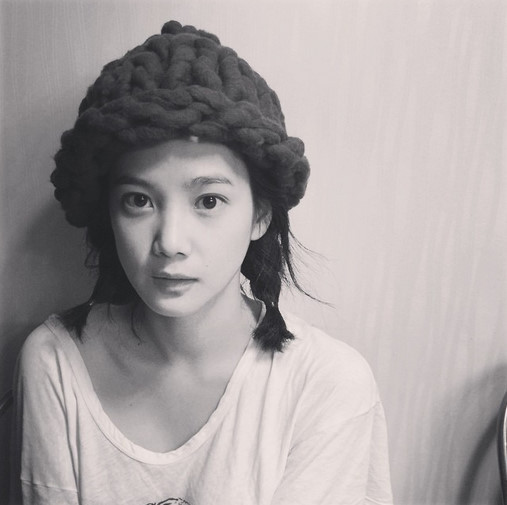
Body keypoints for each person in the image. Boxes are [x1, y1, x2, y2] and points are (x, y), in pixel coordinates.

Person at [10, 21, 393, 505]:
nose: (170, 242)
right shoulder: (55, 361)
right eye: (138, 200)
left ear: (260, 215)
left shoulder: (327, 385)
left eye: (208, 201)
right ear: (108, 212)